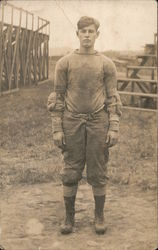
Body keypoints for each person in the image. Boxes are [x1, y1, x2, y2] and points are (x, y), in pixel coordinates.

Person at [47, 16, 122, 234]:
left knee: (98, 169)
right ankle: (69, 219)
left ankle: (99, 216)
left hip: (99, 121)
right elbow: (58, 98)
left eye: (91, 31)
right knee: (71, 169)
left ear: (97, 34)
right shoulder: (64, 63)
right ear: (77, 34)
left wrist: (114, 127)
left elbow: (113, 98)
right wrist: (57, 129)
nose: (87, 35)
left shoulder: (107, 64)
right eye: (83, 31)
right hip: (71, 122)